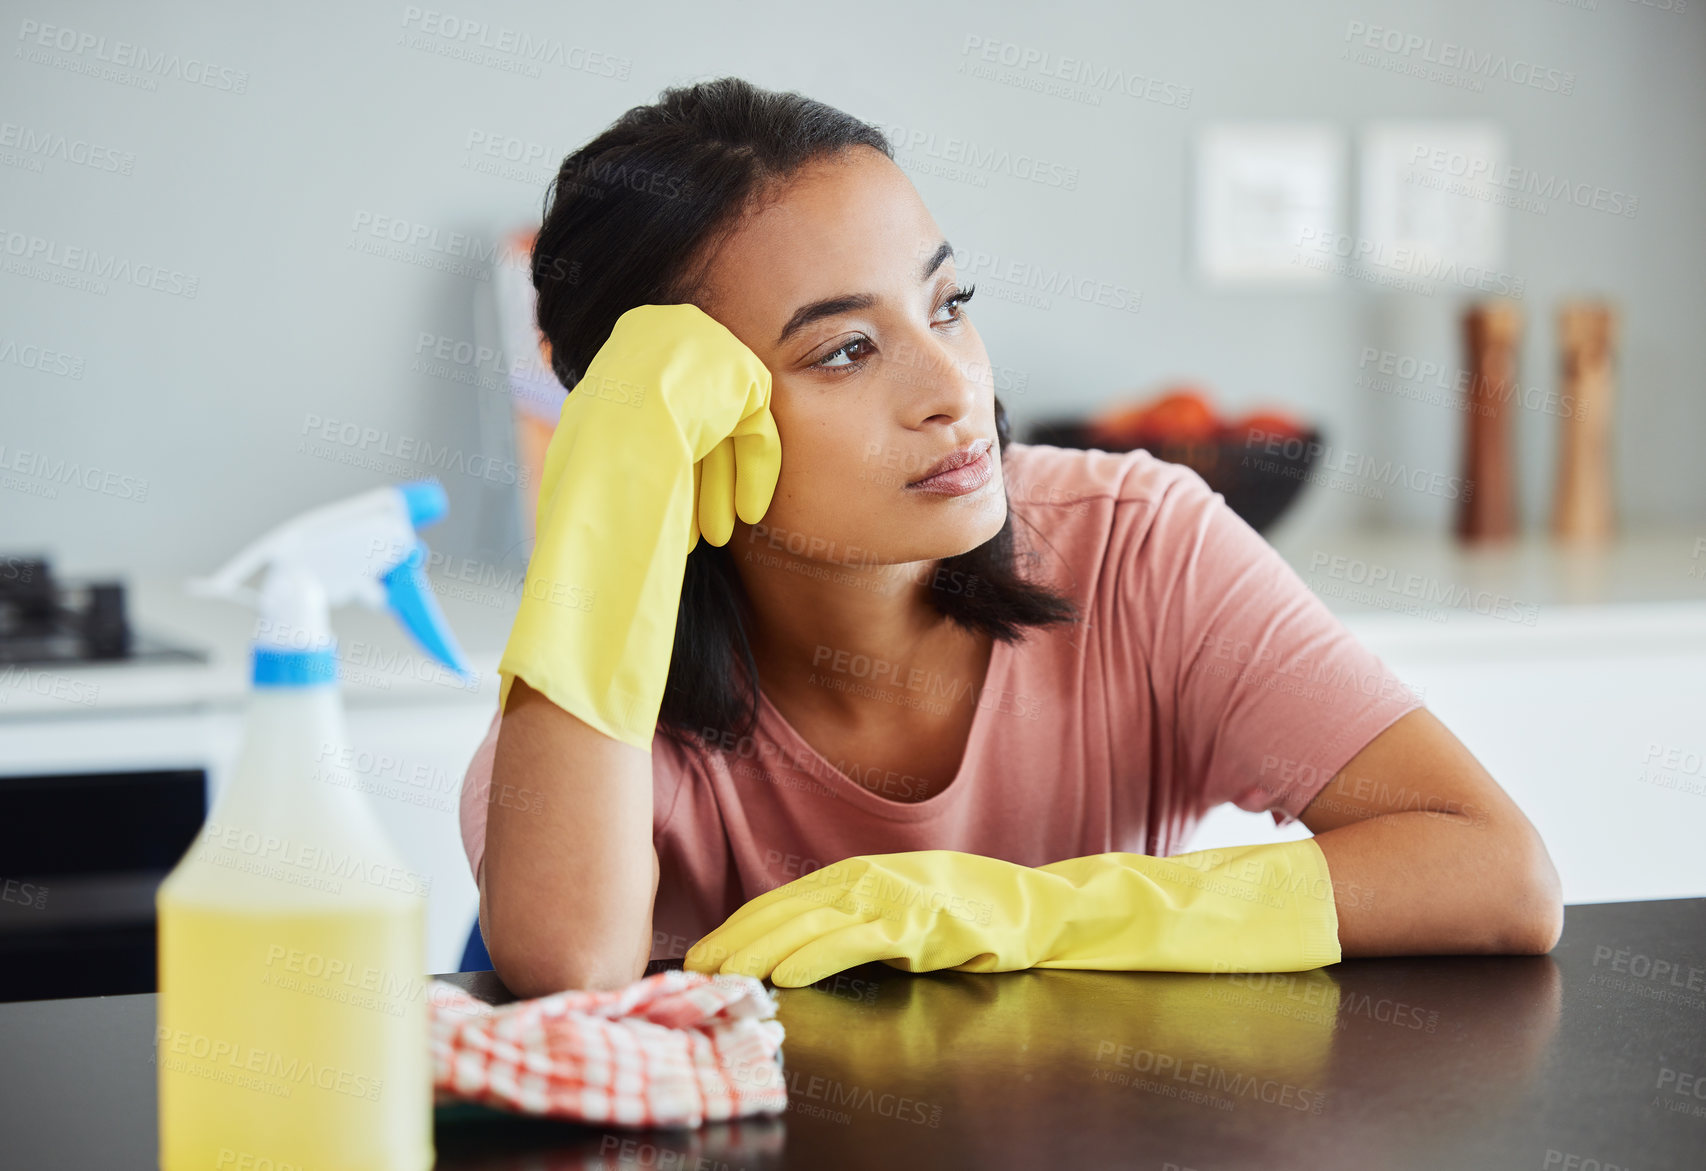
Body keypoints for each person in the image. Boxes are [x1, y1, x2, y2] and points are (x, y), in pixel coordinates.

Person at [460, 77, 1564, 997]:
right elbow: (568, 965)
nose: (953, 389)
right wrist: (607, 487)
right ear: (691, 426)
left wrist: (1031, 905)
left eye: (946, 304)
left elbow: (1495, 872)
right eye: (843, 351)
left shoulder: (1136, 545)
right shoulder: (601, 675)